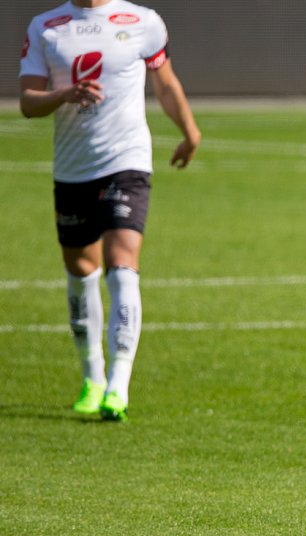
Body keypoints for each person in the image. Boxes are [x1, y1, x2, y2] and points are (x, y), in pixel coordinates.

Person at [19, 0, 201, 421]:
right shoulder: (46, 27)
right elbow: (28, 101)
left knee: (122, 262)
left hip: (127, 160)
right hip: (72, 167)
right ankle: (92, 376)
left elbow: (166, 83)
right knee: (82, 271)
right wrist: (63, 94)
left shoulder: (143, 21)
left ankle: (119, 383)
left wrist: (190, 131)